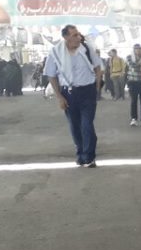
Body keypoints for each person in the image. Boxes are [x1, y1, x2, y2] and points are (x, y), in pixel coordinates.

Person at [43, 25, 103, 168]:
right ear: (66, 37)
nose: (79, 38)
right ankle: (81, 153)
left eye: (79, 35)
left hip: (88, 92)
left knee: (87, 124)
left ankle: (89, 156)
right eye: (75, 35)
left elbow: (97, 67)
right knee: (75, 126)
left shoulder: (86, 49)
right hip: (68, 94)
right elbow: (51, 75)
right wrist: (59, 97)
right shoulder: (55, 52)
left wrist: (97, 87)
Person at [125, 44, 141, 126]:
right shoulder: (129, 57)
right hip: (133, 82)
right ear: (134, 50)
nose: (139, 50)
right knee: (133, 101)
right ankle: (134, 119)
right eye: (137, 49)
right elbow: (133, 66)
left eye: (140, 49)